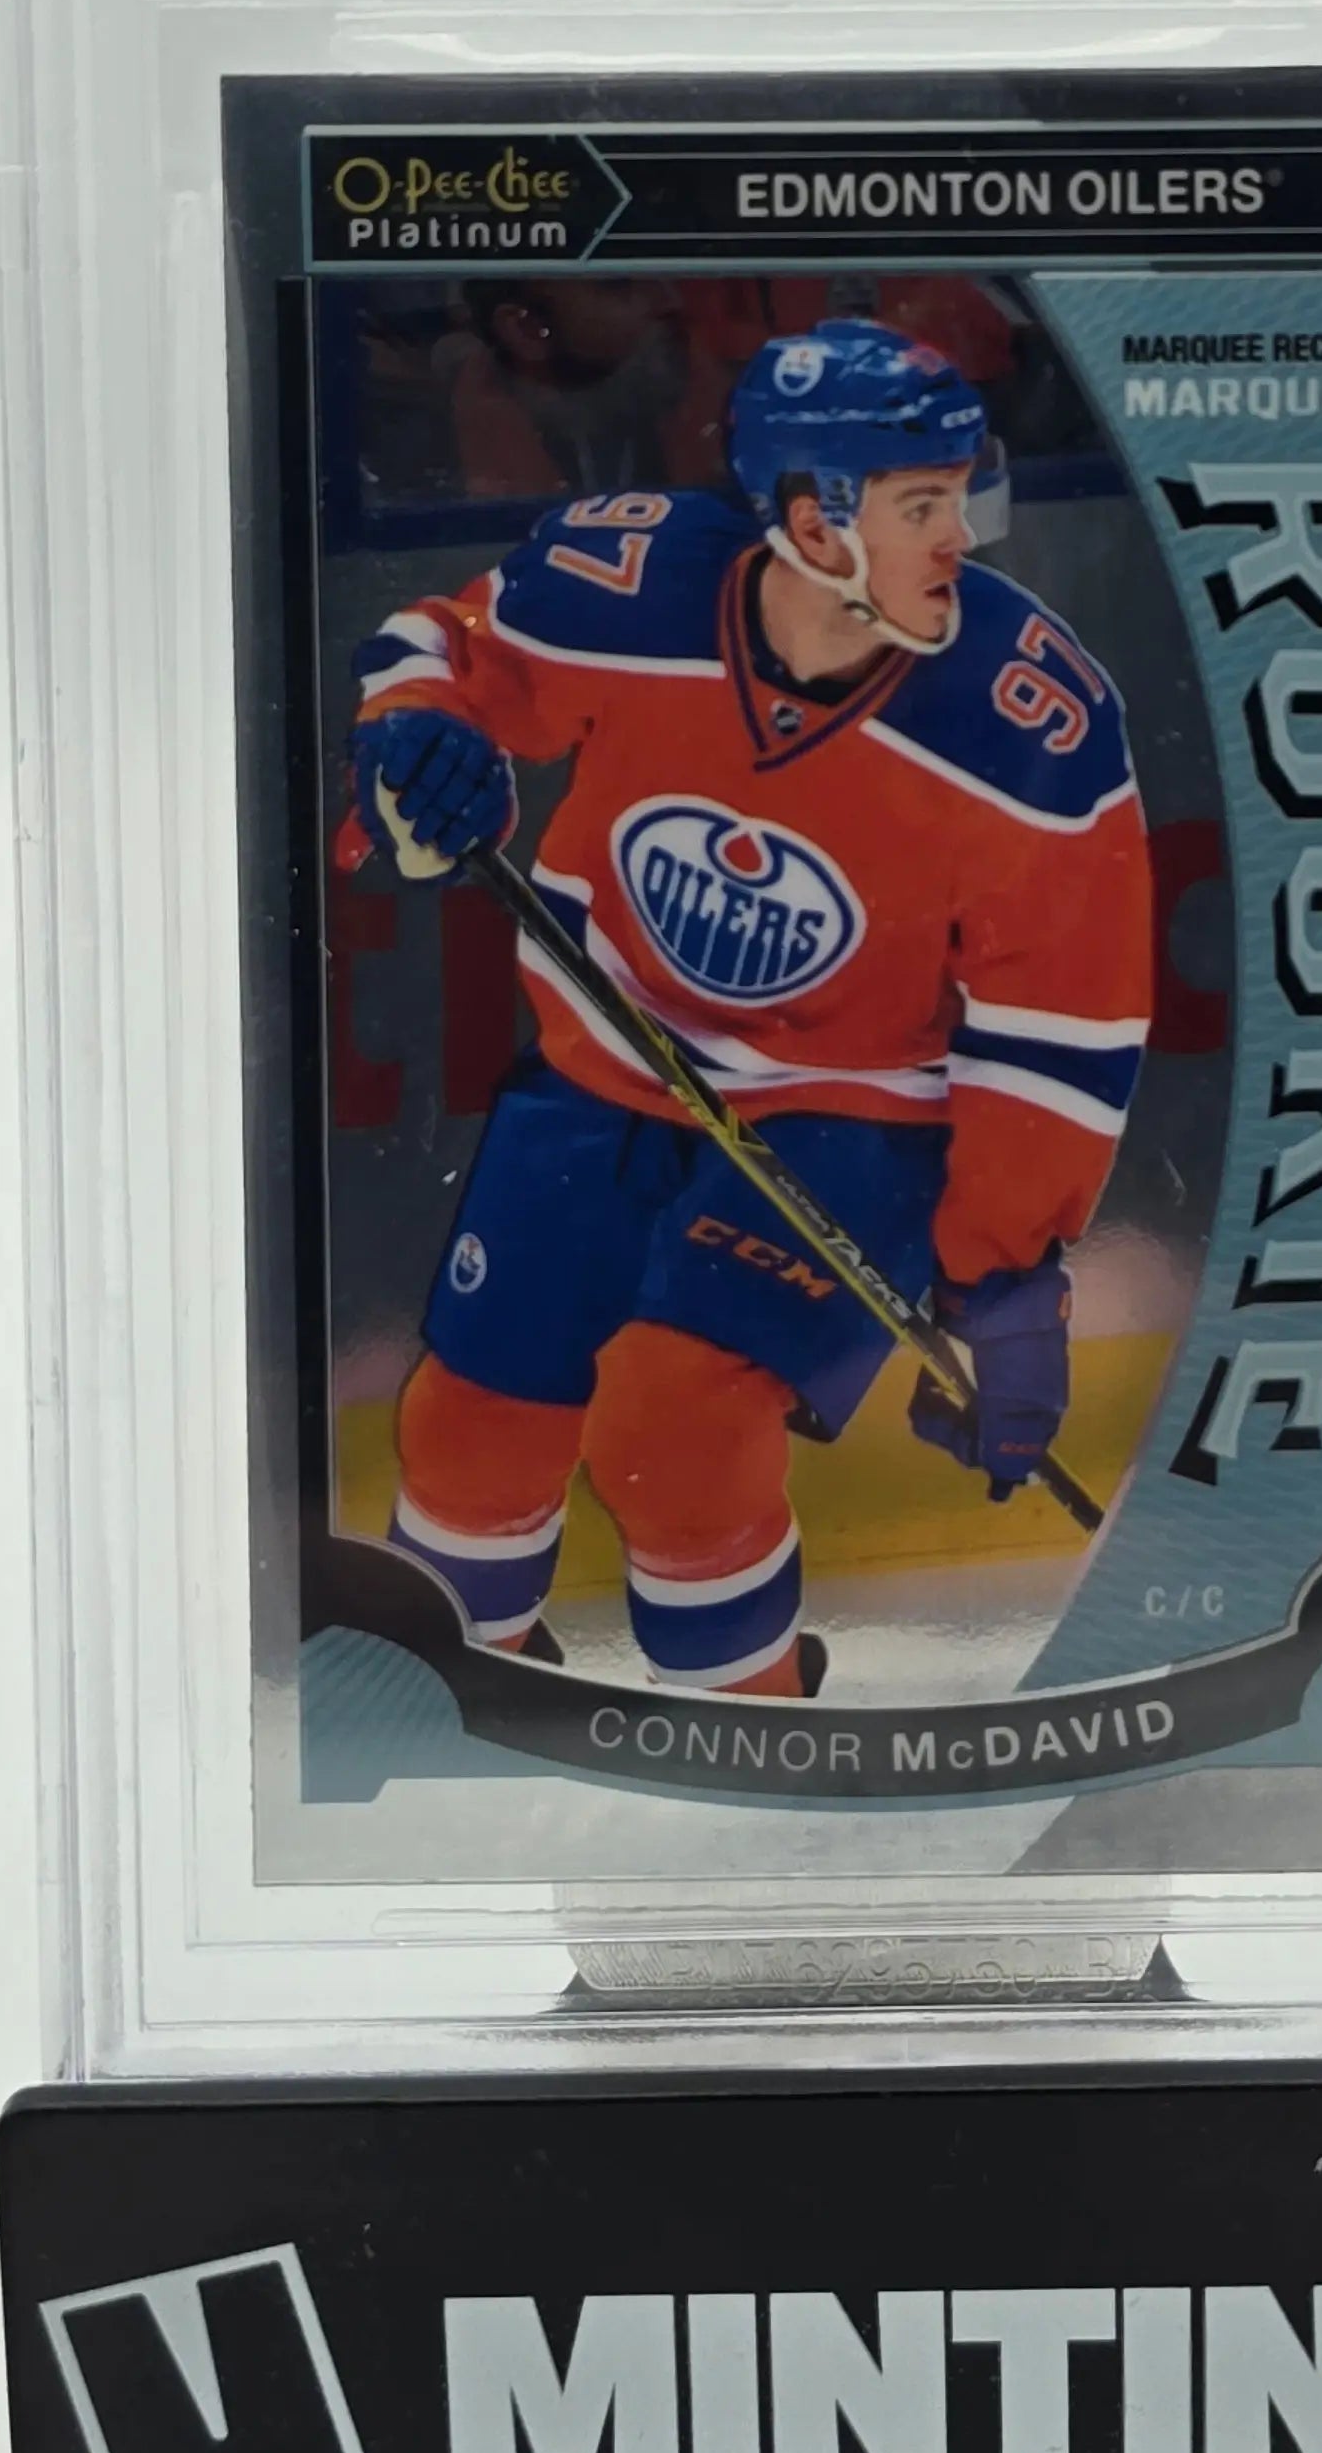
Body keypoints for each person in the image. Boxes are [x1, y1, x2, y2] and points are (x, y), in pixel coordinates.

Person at [344, 319, 1154, 1698]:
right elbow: (438, 646)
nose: (960, 538)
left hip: (856, 1122)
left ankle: (756, 1725)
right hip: (603, 1073)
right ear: (814, 523)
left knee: (674, 1426)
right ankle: (456, 1698)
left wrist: (1006, 1276)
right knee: (470, 1428)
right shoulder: (628, 586)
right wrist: (420, 740)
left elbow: (1060, 1033)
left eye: (959, 498)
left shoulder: (1028, 726)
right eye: (921, 507)